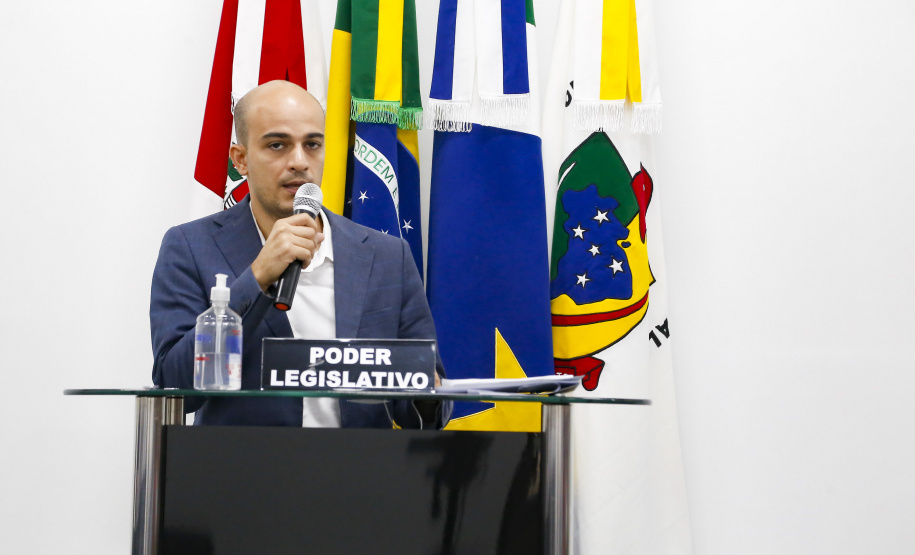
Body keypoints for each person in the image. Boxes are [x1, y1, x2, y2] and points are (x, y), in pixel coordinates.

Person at [150, 80, 447, 428]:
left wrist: (426, 389)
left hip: (361, 473)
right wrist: (257, 277)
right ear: (241, 159)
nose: (299, 162)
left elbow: (428, 405)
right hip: (243, 473)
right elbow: (174, 385)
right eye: (277, 145)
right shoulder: (189, 246)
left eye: (312, 144)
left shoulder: (386, 255)